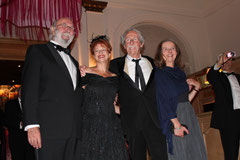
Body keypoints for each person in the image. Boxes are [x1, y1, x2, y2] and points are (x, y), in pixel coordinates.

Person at [21, 17, 83, 160]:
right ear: (53, 29)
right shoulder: (37, 51)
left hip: (74, 132)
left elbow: (74, 95)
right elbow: (29, 90)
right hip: (49, 131)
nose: (69, 29)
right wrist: (31, 125)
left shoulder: (74, 61)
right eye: (64, 26)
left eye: (72, 28)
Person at [109, 29, 168, 160]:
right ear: (124, 46)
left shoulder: (154, 63)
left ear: (141, 44)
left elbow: (164, 87)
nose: (131, 42)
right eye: (127, 40)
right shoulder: (115, 64)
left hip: (155, 119)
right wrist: (115, 108)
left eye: (134, 39)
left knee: (161, 156)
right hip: (131, 120)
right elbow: (108, 87)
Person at [154, 39, 207, 160]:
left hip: (188, 113)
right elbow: (163, 101)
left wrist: (196, 88)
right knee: (180, 151)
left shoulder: (181, 73)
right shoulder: (159, 74)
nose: (169, 51)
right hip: (173, 116)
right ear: (161, 54)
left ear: (176, 52)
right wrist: (176, 125)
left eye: (172, 48)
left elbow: (185, 100)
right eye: (165, 49)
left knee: (193, 149)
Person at [78, 35, 128, 160]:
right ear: (93, 55)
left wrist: (130, 114)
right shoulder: (84, 73)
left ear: (109, 53)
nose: (100, 53)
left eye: (103, 49)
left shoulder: (116, 78)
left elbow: (113, 104)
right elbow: (76, 99)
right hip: (90, 125)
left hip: (111, 125)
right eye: (97, 50)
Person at [207, 51, 240, 160]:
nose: (227, 61)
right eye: (224, 60)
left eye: (229, 59)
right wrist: (219, 62)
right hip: (228, 118)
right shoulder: (217, 77)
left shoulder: (238, 77)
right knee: (231, 152)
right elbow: (210, 76)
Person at [4, 87, 35, 160]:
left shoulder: (31, 103)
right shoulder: (10, 104)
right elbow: (6, 121)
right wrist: (20, 124)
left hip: (30, 141)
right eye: (22, 92)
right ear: (18, 93)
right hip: (16, 140)